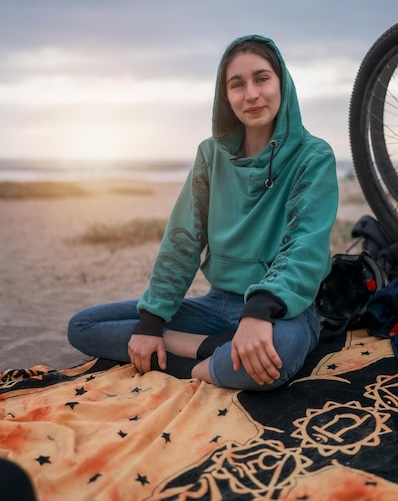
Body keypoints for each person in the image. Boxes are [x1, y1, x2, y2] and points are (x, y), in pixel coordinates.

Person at [68, 34, 339, 391]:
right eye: (237, 84)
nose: (251, 94)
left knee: (278, 353)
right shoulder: (210, 155)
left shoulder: (314, 156)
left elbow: (305, 244)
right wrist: (151, 323)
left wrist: (258, 312)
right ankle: (215, 351)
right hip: (217, 305)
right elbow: (183, 238)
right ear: (225, 96)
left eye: (261, 78)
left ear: (282, 83)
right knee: (84, 327)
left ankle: (185, 356)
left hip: (283, 309)